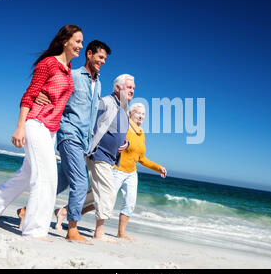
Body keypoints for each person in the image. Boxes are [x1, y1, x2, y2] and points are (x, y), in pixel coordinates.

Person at [0, 25, 83, 241]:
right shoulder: (49, 64)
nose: (80, 46)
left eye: (82, 42)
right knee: (46, 178)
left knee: (26, 175)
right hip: (35, 123)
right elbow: (29, 95)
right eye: (78, 41)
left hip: (50, 129)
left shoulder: (68, 70)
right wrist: (20, 127)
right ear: (65, 41)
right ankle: (35, 229)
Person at [17, 40, 111, 245]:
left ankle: (25, 211)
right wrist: (39, 96)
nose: (102, 61)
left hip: (83, 141)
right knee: (81, 182)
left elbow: (92, 115)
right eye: (100, 57)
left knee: (63, 180)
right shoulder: (74, 76)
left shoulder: (99, 84)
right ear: (89, 54)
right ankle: (72, 229)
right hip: (69, 135)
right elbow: (54, 89)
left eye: (105, 59)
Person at [82, 74, 135, 242]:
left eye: (133, 88)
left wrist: (125, 143)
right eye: (129, 87)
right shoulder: (105, 102)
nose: (132, 90)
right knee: (109, 192)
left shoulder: (124, 108)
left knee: (95, 193)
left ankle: (63, 211)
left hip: (111, 157)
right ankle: (99, 232)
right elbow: (91, 125)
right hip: (98, 153)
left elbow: (119, 133)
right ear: (117, 88)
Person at [112, 103, 167, 240]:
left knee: (130, 202)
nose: (141, 116)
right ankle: (67, 212)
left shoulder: (141, 134)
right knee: (104, 200)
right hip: (116, 170)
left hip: (131, 173)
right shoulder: (124, 126)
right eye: (139, 113)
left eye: (143, 114)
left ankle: (121, 233)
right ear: (131, 113)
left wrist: (157, 167)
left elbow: (141, 158)